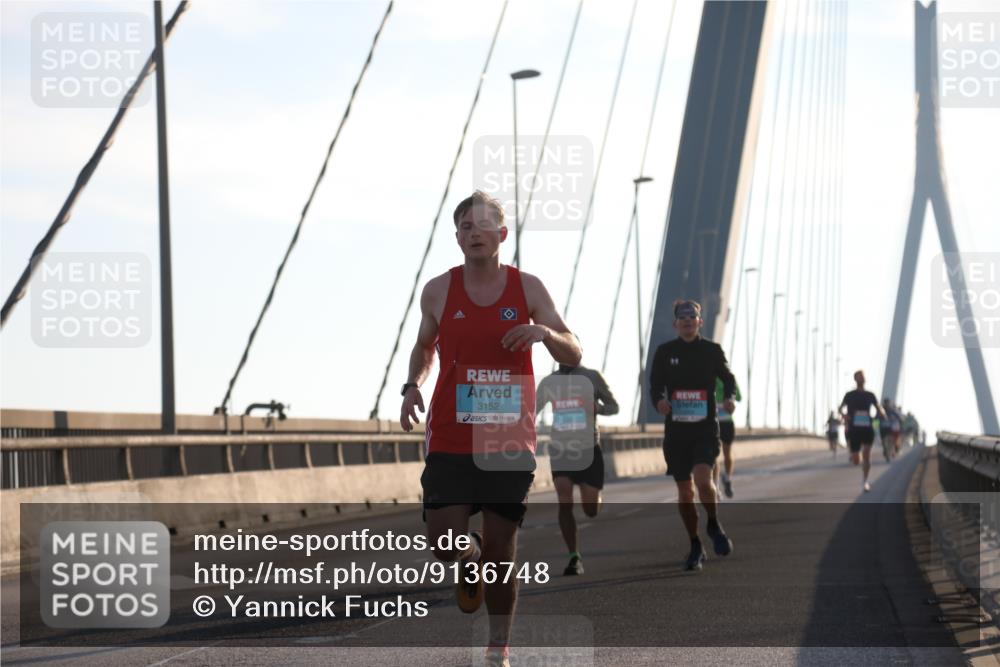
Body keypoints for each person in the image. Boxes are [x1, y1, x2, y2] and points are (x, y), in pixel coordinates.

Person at [400, 190, 582, 667]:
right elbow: (425, 347)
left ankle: (497, 646)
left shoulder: (528, 288)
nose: (474, 233)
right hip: (451, 433)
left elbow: (573, 348)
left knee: (502, 553)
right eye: (465, 226)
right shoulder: (438, 290)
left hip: (507, 437)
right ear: (457, 237)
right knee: (444, 545)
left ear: (501, 234)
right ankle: (468, 558)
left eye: (483, 225)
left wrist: (544, 333)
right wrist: (413, 385)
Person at [649, 299, 737, 571]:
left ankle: (713, 522)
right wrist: (659, 402)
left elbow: (728, 378)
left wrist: (730, 397)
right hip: (677, 432)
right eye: (682, 317)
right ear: (675, 323)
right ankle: (695, 544)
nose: (687, 320)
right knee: (685, 493)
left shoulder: (711, 350)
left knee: (702, 480)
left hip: (705, 428)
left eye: (692, 317)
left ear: (700, 322)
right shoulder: (665, 352)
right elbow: (655, 385)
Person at [536, 363, 619, 576]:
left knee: (590, 510)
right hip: (561, 449)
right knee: (564, 500)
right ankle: (574, 556)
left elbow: (614, 407)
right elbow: (531, 410)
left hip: (589, 449)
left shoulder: (592, 377)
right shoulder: (550, 381)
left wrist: (599, 409)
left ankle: (595, 499)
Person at [838, 371, 886, 493]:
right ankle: (855, 455)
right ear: (855, 379)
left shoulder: (870, 395)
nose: (861, 379)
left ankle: (865, 481)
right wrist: (844, 415)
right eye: (859, 377)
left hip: (867, 428)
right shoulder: (849, 395)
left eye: (863, 377)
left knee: (867, 454)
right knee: (856, 461)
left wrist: (881, 414)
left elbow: (878, 408)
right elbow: (840, 408)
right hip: (854, 429)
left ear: (865, 379)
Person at [713, 376, 742, 499]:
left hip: (724, 422)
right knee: (717, 454)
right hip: (715, 422)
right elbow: (739, 397)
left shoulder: (728, 378)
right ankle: (717, 485)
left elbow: (739, 397)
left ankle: (725, 480)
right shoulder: (729, 378)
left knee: (724, 454)